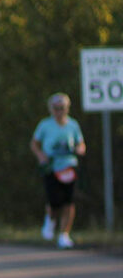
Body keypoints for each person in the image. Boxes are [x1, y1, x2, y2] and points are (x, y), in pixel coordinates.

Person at [30, 93, 86, 249]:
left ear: (67, 108)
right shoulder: (45, 125)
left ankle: (64, 234)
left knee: (69, 202)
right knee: (54, 202)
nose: (59, 111)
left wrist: (79, 150)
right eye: (56, 108)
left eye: (62, 108)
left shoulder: (73, 125)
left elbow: (81, 144)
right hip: (51, 168)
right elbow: (34, 144)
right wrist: (41, 156)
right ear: (51, 109)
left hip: (69, 167)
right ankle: (50, 219)